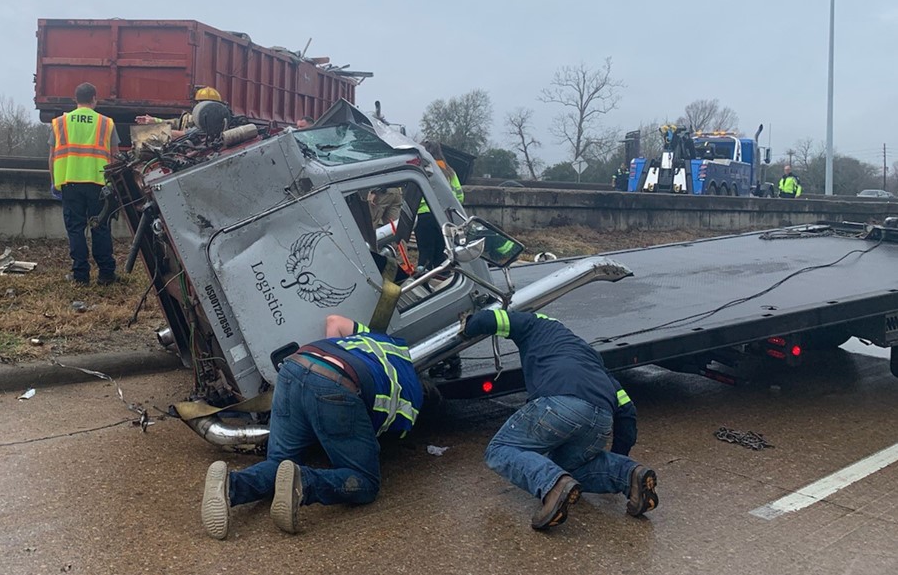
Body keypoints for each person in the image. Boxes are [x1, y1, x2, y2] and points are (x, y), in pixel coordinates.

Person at [201, 315, 424, 539]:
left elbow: (334, 321)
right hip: (337, 384)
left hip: (294, 367)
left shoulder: (377, 339)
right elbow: (383, 434)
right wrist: (325, 401)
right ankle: (304, 483)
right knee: (366, 482)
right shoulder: (413, 392)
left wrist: (318, 383)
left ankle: (231, 486)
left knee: (278, 463)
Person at [461, 309, 657, 530]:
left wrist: (467, 324)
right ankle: (631, 477)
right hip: (601, 417)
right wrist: (619, 457)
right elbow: (627, 414)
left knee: (500, 449)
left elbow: (490, 320)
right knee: (569, 468)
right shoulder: (590, 357)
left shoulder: (533, 323)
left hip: (560, 402)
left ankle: (552, 485)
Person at [49, 82, 119, 286]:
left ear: (75, 99)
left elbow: (52, 156)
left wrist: (54, 182)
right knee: (101, 227)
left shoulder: (60, 122)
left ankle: (81, 276)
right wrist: (112, 184)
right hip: (98, 183)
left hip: (70, 182)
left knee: (76, 229)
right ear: (94, 99)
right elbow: (115, 157)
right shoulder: (106, 123)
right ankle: (106, 274)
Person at [415, 140, 464, 270]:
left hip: (424, 216)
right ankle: (443, 279)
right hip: (444, 218)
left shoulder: (419, 170)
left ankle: (423, 279)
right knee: (440, 253)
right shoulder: (449, 171)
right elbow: (459, 196)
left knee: (425, 253)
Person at [134, 86, 225, 139]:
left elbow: (188, 134)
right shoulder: (193, 118)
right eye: (199, 103)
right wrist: (154, 120)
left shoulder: (214, 124)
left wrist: (159, 132)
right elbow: (177, 123)